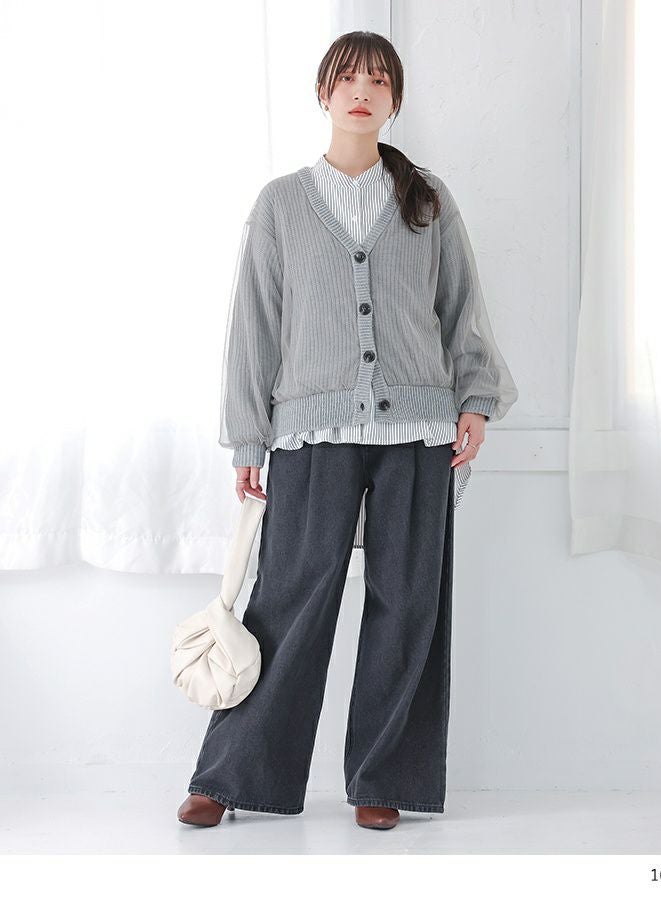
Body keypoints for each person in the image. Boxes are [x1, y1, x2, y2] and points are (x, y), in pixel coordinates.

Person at [177, 30, 518, 831]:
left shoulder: (428, 199)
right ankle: (232, 775)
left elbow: (462, 308)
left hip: (421, 431)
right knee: (288, 601)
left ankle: (383, 779)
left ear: (395, 98)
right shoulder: (281, 204)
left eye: (378, 80)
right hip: (310, 430)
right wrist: (248, 438)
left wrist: (474, 400)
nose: (362, 92)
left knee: (408, 604)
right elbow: (254, 327)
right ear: (323, 93)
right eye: (347, 79)